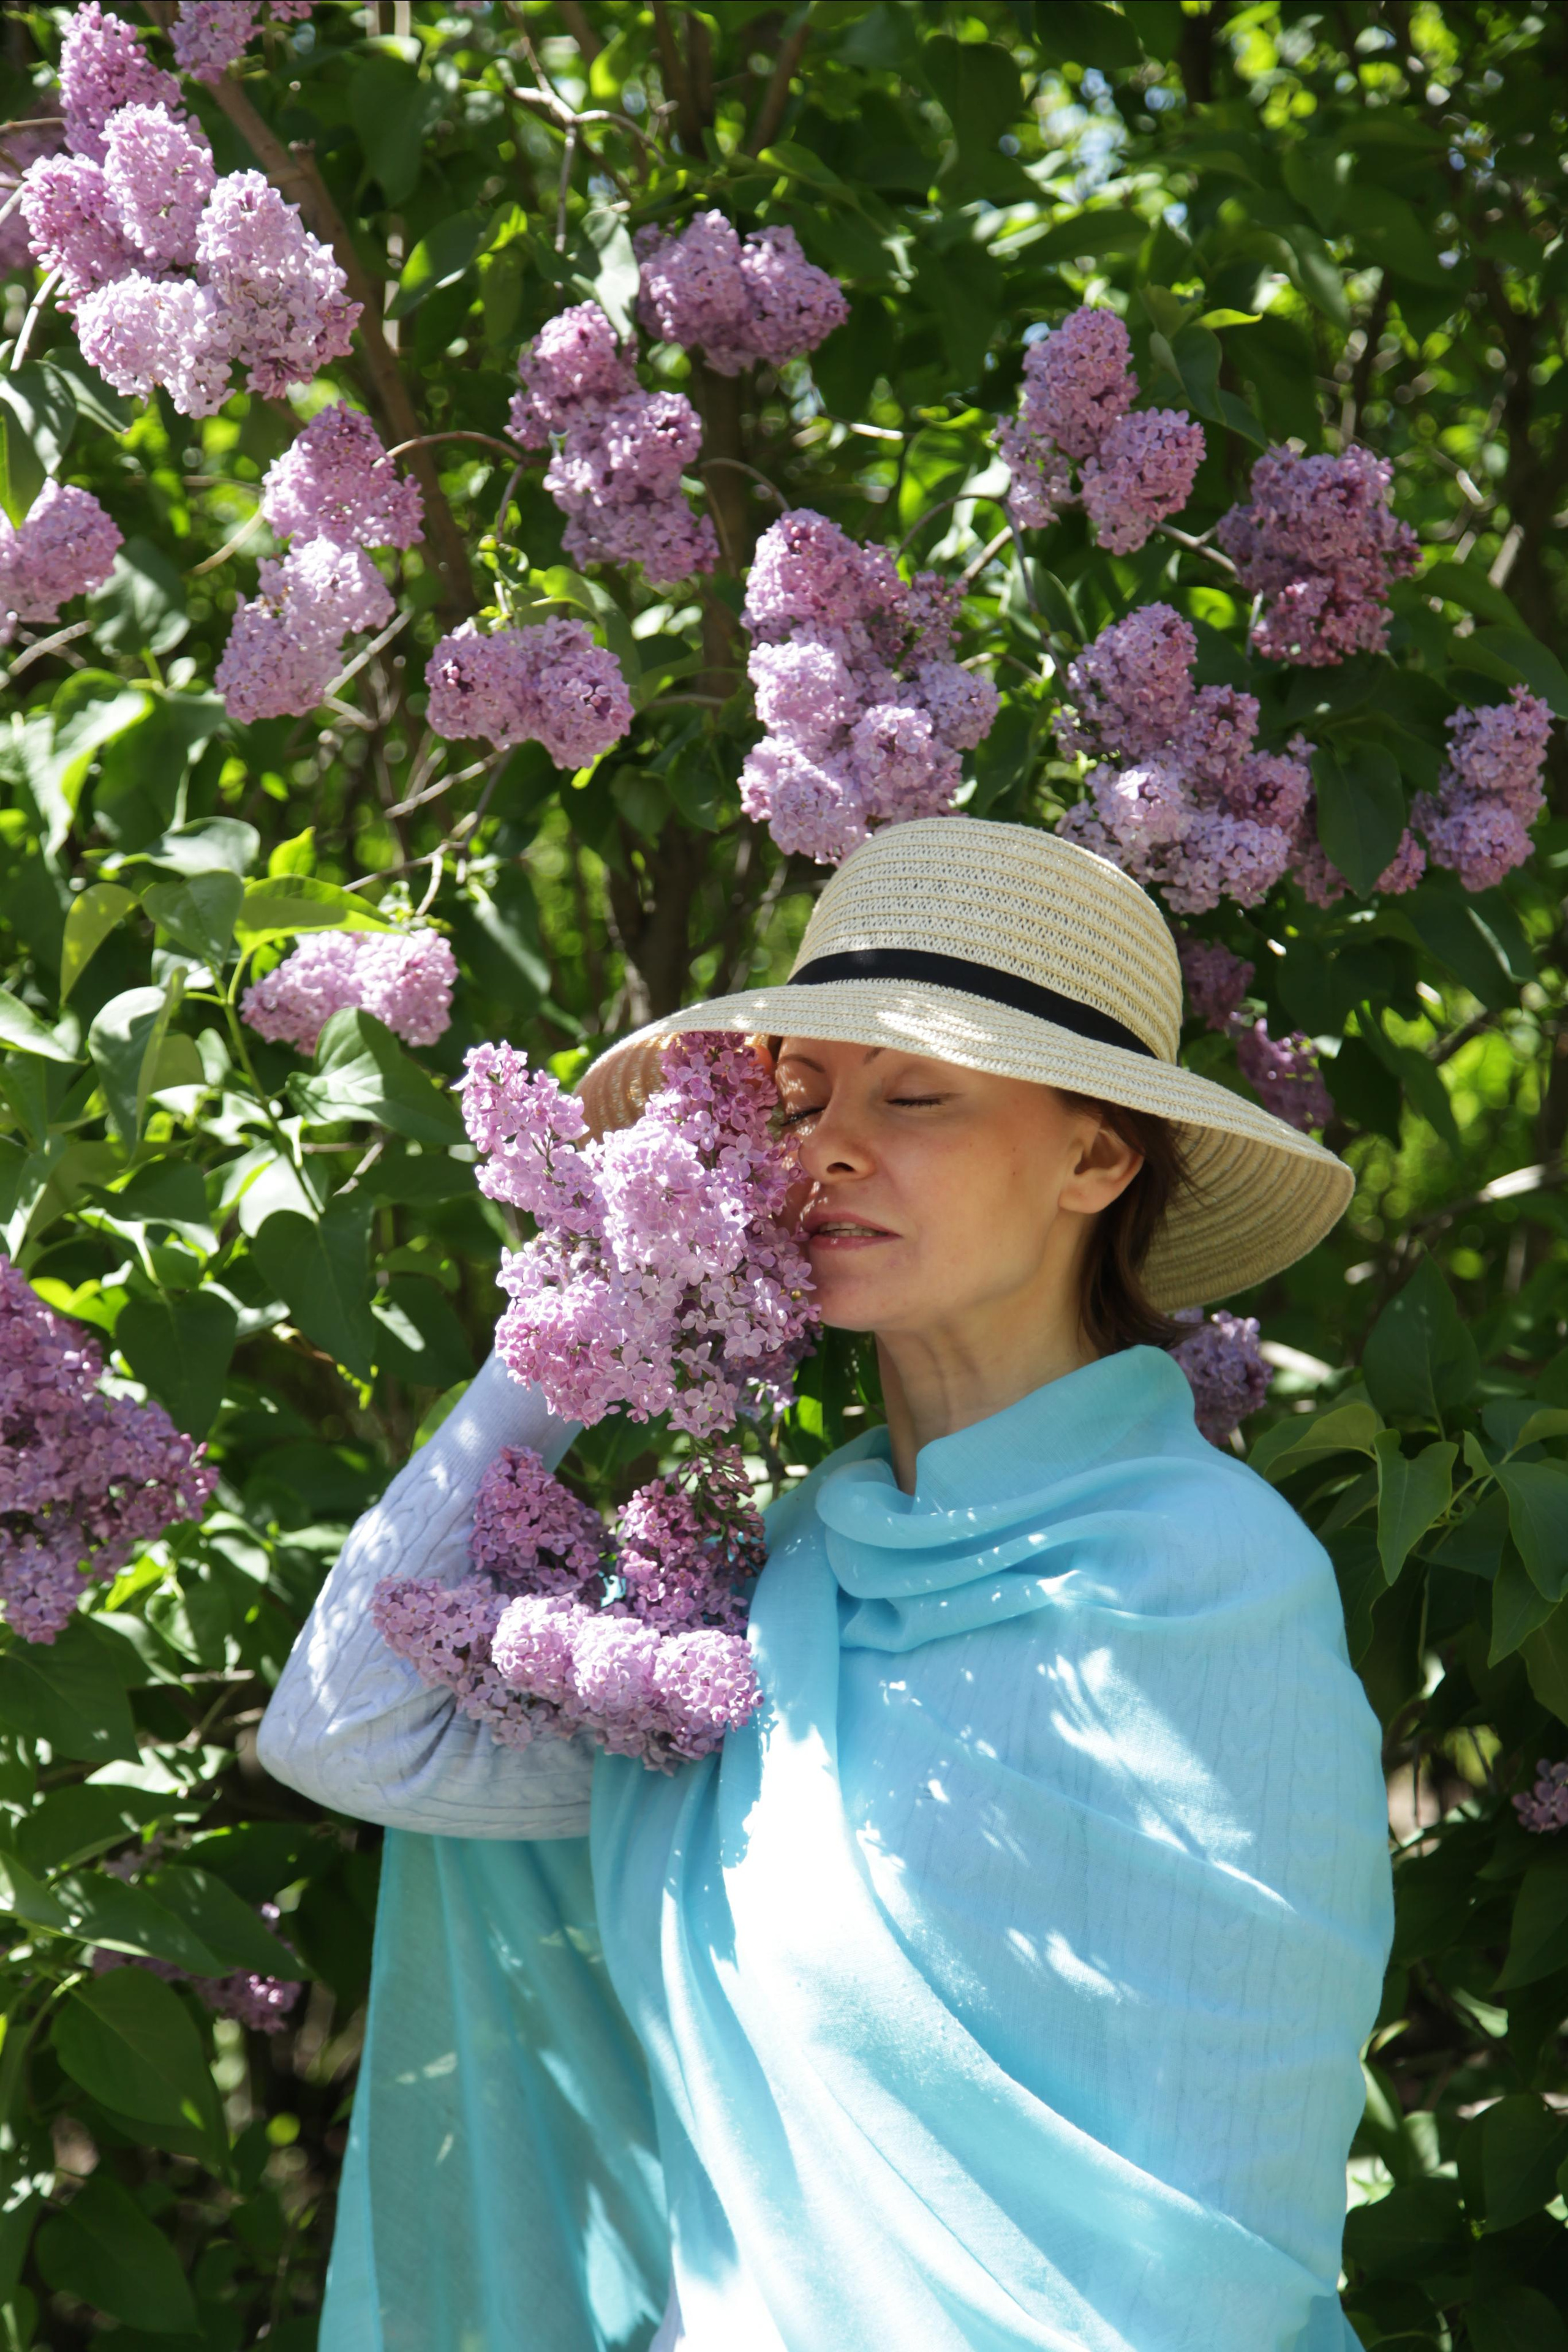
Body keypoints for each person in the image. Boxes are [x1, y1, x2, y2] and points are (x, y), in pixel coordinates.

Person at [259, 817, 1393, 2352]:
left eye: (913, 1095)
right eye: (796, 1101)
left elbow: (1213, 2217)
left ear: (1095, 1155)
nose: (827, 1149)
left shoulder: (1201, 1580)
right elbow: (343, 1724)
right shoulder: (767, 1592)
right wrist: (586, 1309)